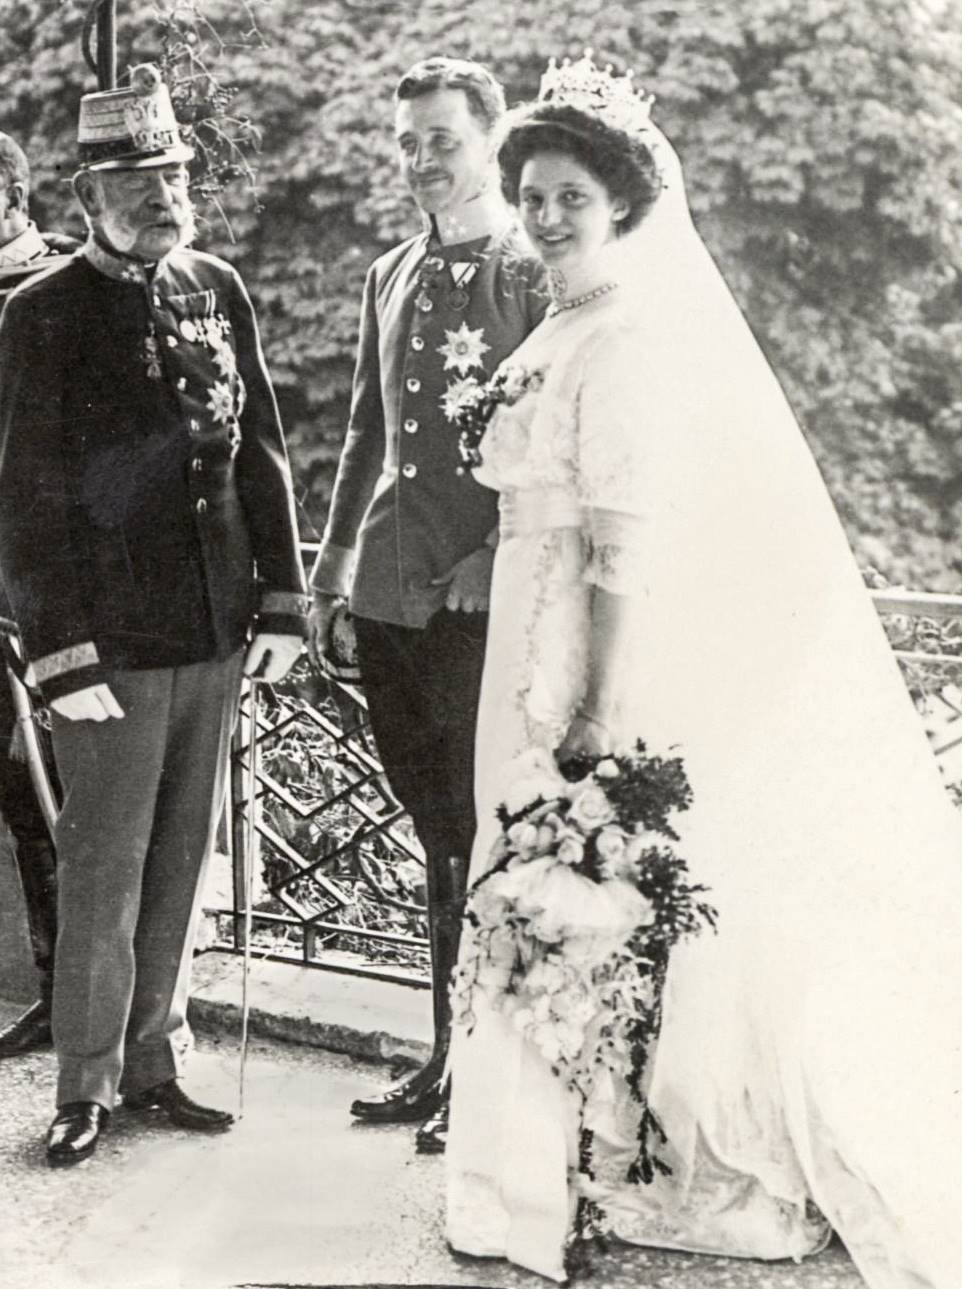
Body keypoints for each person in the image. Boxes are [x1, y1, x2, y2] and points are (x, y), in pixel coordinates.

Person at [445, 53, 962, 1288]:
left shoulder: (625, 335)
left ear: (624, 203)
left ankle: (561, 1172)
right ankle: (535, 1165)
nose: (548, 214)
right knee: (521, 869)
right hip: (519, 611)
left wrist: (594, 701)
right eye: (534, 194)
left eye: (574, 196)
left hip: (567, 640)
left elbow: (622, 542)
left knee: (560, 872)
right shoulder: (559, 323)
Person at [0, 65, 308, 1167]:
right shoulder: (38, 314)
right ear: (88, 198)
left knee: (181, 854)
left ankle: (154, 1063)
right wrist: (60, 653)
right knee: (103, 864)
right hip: (110, 647)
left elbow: (260, 450)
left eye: (171, 178)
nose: (161, 198)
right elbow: (25, 498)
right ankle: (84, 1083)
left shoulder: (216, 286)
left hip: (214, 626)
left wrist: (281, 601)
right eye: (135, 184)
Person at [307, 56, 546, 1153]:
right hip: (391, 598)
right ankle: (445, 1056)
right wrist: (330, 570)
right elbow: (366, 430)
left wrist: (494, 551)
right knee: (433, 832)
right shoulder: (390, 271)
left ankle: (488, 1074)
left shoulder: (530, 270)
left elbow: (554, 438)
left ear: (491, 138)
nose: (420, 160)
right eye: (405, 142)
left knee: (484, 832)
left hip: (480, 604)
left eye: (441, 139)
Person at [0, 132, 78, 1060]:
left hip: (47, 582)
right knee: (18, 796)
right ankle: (52, 988)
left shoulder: (62, 281)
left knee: (62, 791)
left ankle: (92, 998)